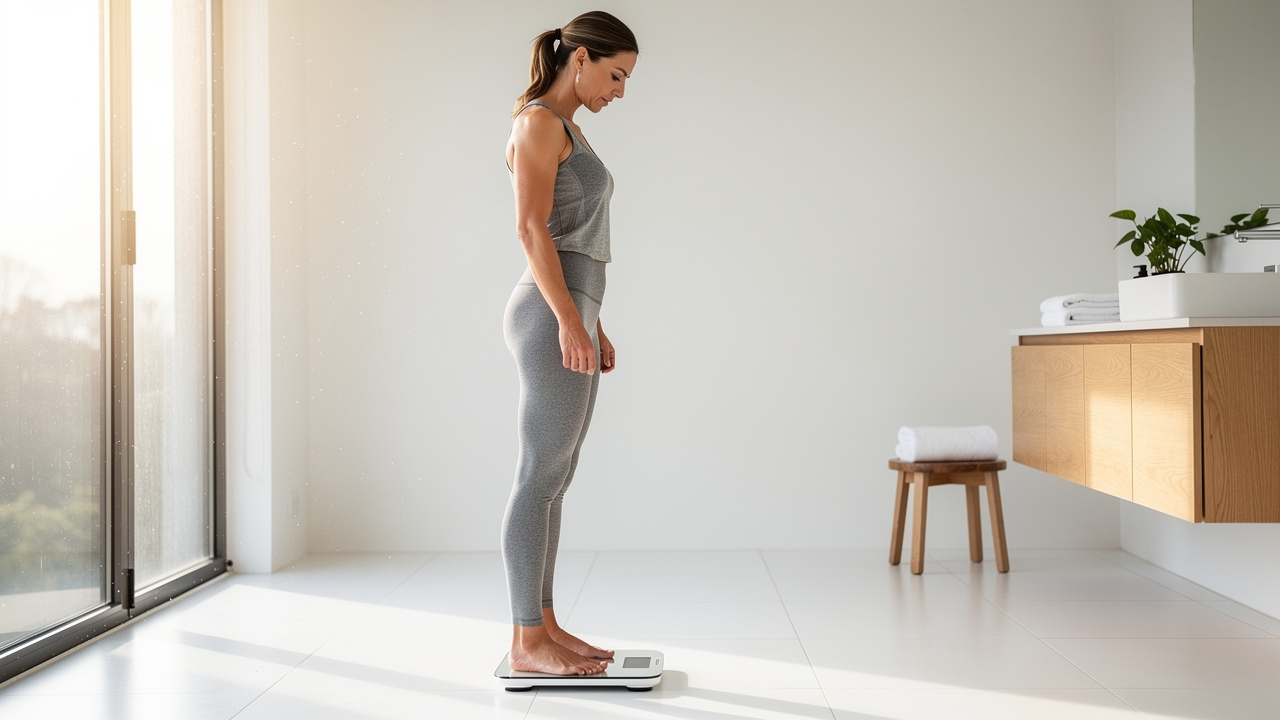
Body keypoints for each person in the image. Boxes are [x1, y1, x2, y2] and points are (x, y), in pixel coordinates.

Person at [501, 11, 639, 677]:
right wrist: (567, 320)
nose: (619, 89)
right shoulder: (536, 124)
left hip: (573, 312)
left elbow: (573, 235)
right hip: (546, 318)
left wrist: (592, 320)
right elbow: (531, 230)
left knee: (557, 477)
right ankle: (526, 643)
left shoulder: (566, 129)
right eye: (615, 74)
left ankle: (546, 625)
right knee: (538, 476)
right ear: (578, 58)